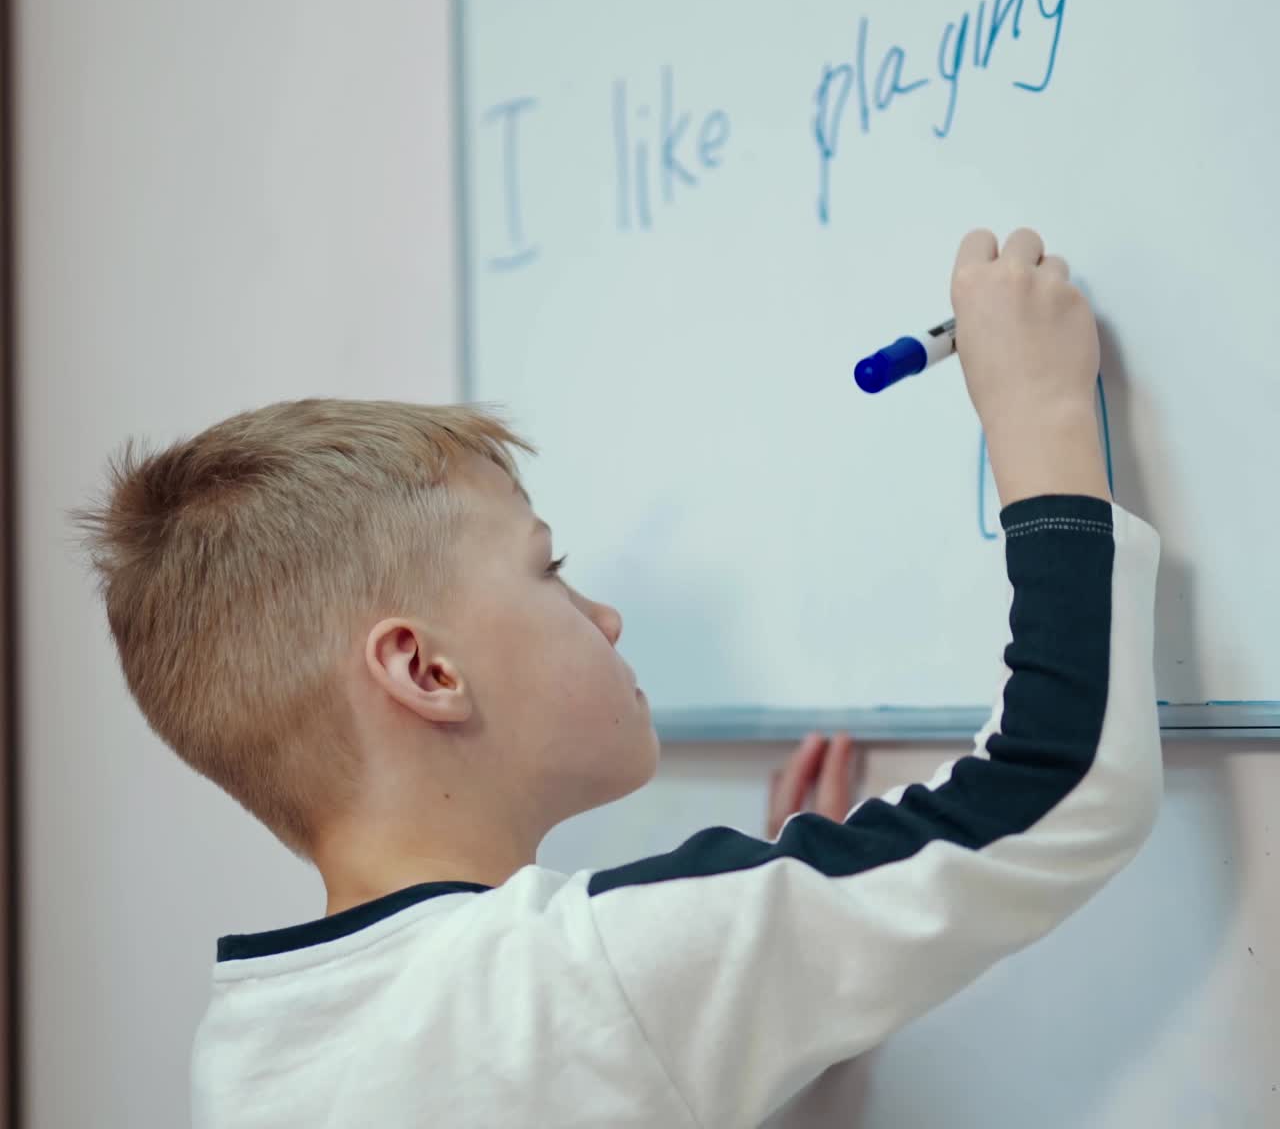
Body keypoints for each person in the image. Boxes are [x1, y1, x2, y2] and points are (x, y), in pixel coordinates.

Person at [73, 227, 1162, 1128]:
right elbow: (1057, 784)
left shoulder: (256, 1048)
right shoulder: (580, 980)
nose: (604, 614)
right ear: (423, 667)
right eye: (549, 569)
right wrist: (1041, 416)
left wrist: (775, 967)